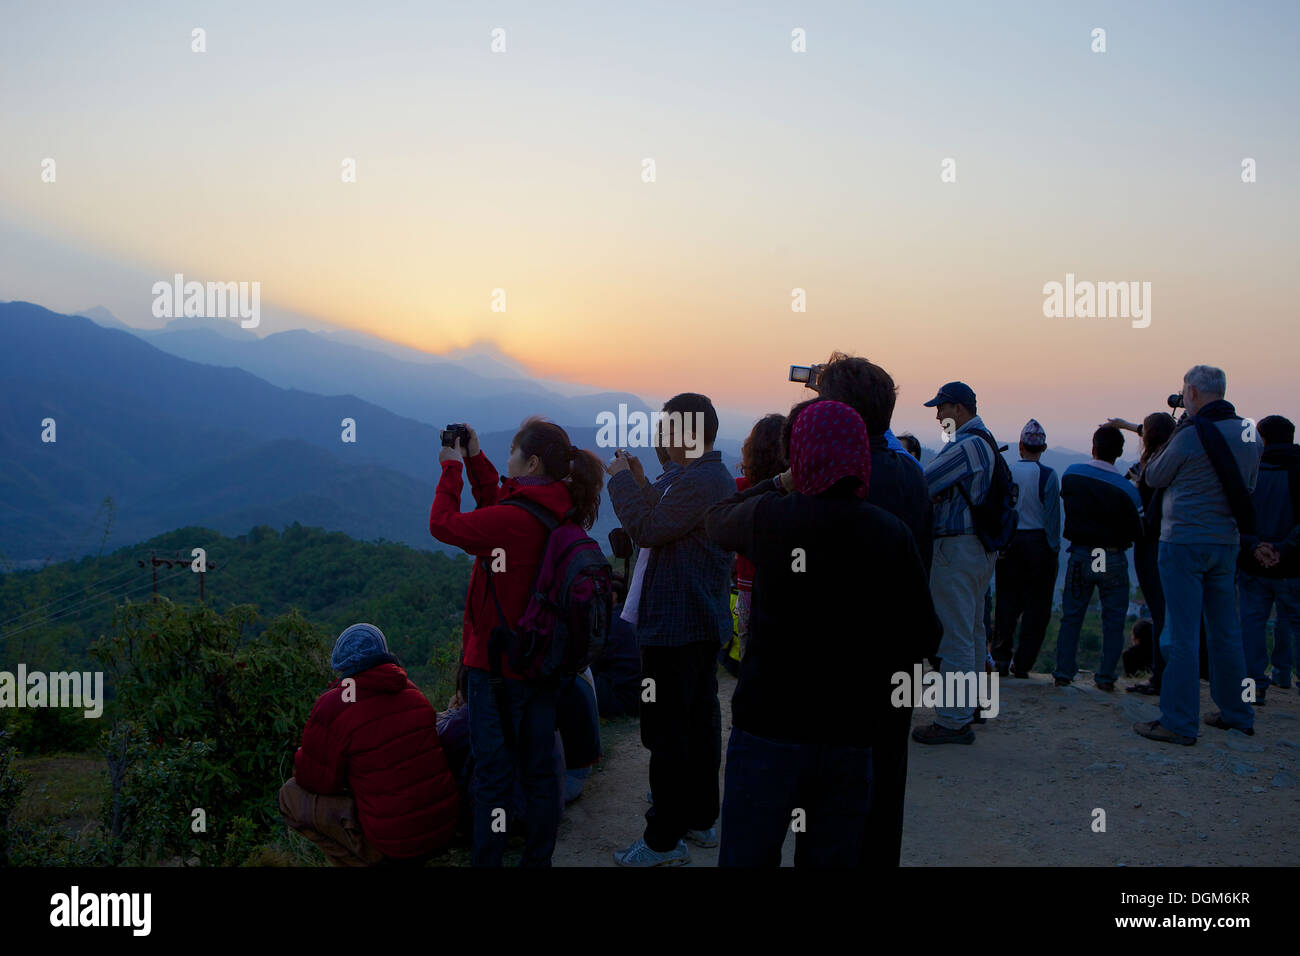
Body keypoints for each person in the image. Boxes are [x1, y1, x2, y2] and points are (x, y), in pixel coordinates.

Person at [706, 400, 941, 867]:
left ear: (799, 454)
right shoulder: (890, 533)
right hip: (850, 734)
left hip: (767, 726)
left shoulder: (772, 516)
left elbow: (716, 519)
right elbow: (924, 635)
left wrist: (779, 481)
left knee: (747, 856)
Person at [428, 418, 604, 866]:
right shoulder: (560, 505)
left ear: (531, 461)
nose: (507, 462)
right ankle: (537, 860)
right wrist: (475, 458)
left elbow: (444, 524)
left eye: (511, 452)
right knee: (540, 773)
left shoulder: (513, 520)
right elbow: (499, 503)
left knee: (494, 779)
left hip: (496, 670)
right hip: (542, 665)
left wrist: (450, 469)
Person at [813, 353, 937, 865]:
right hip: (898, 654)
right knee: (887, 778)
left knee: (829, 791)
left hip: (839, 659)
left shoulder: (831, 479)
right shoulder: (912, 473)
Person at [606, 393, 735, 866]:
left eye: (666, 426)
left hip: (677, 627)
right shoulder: (696, 476)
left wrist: (619, 483)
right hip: (693, 623)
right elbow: (662, 509)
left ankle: (663, 839)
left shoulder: (701, 480)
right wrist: (640, 478)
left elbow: (649, 528)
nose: (659, 434)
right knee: (697, 723)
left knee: (667, 734)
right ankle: (699, 818)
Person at [1134, 366, 1262, 745]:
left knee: (1182, 634)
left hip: (1183, 542)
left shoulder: (1189, 435)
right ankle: (1237, 712)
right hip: (1227, 543)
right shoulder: (1249, 432)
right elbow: (1249, 485)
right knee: (1226, 632)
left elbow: (1154, 477)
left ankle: (1178, 720)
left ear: (1191, 391)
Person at [280, 623, 460, 866]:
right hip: (443, 828)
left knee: (290, 795)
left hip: (396, 844)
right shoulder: (413, 694)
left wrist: (306, 755)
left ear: (342, 665)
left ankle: (356, 861)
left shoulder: (334, 706)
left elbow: (315, 780)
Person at [913, 381, 1000, 744]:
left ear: (959, 409)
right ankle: (973, 706)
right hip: (978, 548)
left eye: (942, 408)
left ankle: (952, 721)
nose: (937, 416)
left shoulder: (967, 445)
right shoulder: (987, 441)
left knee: (955, 634)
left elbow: (922, 483)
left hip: (957, 548)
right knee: (974, 630)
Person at [1051, 426, 1144, 691]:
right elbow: (1138, 530)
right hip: (1112, 557)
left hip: (1081, 553)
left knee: (1072, 616)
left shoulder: (1072, 475)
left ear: (1093, 447)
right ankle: (1104, 678)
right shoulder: (1128, 491)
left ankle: (1062, 672)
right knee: (1113, 621)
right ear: (1119, 453)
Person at [1108, 412, 1177, 696]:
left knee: (1159, 612)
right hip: (1174, 543)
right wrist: (1124, 425)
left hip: (1151, 546)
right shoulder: (1176, 455)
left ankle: (1161, 677)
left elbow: (1147, 519)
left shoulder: (1153, 470)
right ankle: (1170, 673)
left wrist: (1136, 486)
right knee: (1170, 612)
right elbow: (1161, 430)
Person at [1236, 415, 1300, 703]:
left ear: (1261, 438)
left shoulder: (1249, 468)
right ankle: (1288, 678)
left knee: (1252, 625)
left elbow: (1238, 517)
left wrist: (1256, 547)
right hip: (1293, 565)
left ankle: (1254, 691)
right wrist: (1284, 548)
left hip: (1253, 564)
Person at [992, 420, 1061, 678]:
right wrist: (1053, 549)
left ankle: (1000, 656)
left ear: (1020, 446)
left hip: (1010, 542)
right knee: (1037, 606)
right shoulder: (1048, 475)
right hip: (1038, 543)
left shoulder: (1007, 471)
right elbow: (1052, 517)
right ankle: (1023, 663)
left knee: (1007, 601)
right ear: (1042, 448)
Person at [734, 414, 787, 663]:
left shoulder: (738, 488)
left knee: (751, 662)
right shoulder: (801, 490)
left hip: (748, 589)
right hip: (790, 587)